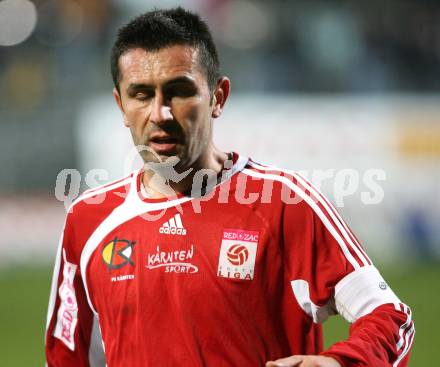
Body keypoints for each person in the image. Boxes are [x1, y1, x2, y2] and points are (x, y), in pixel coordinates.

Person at [45, 7, 414, 367]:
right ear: (121, 105)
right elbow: (68, 358)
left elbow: (391, 317)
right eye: (141, 94)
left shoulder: (284, 203)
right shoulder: (88, 220)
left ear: (218, 97)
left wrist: (339, 363)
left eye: (179, 91)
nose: (160, 113)